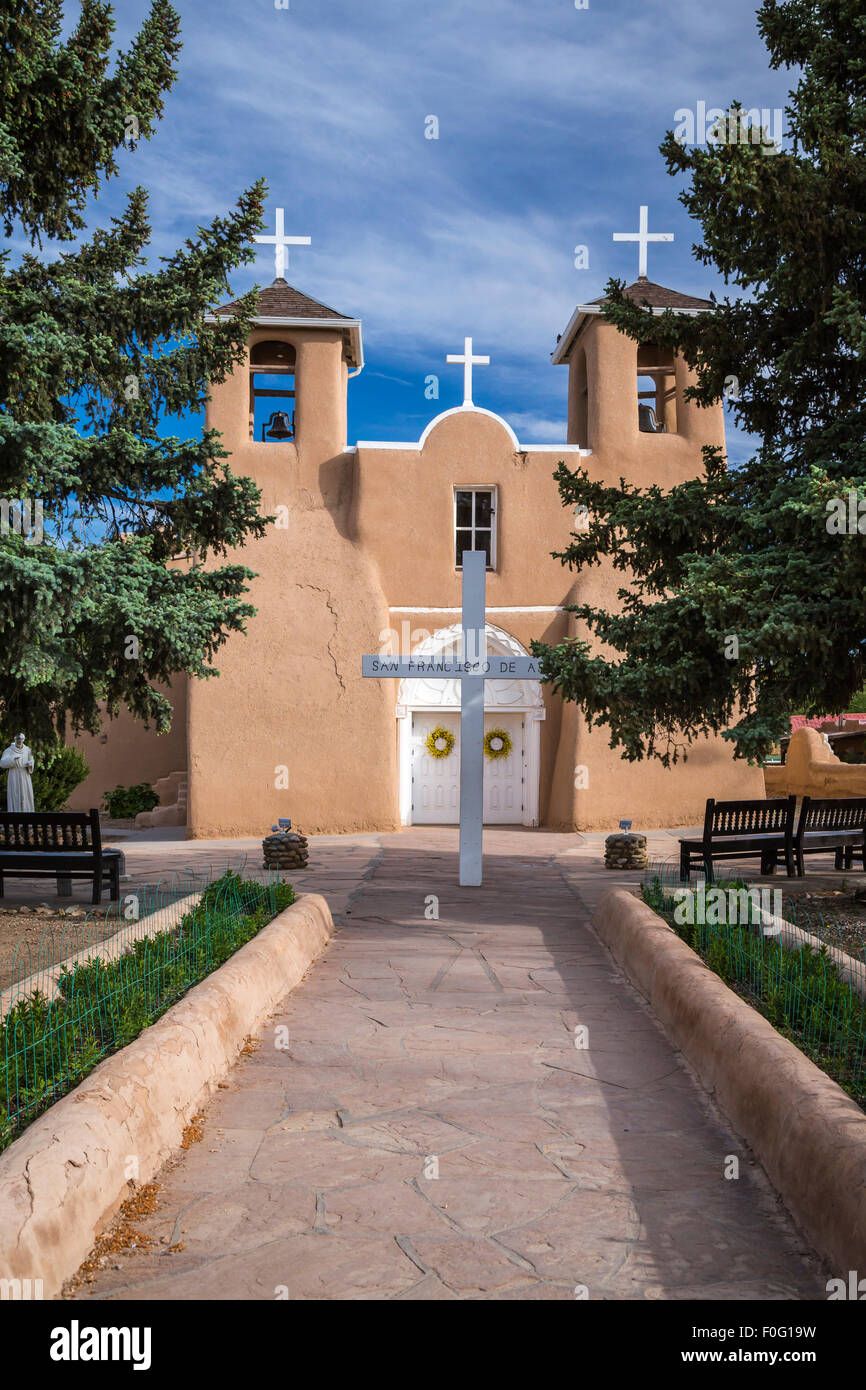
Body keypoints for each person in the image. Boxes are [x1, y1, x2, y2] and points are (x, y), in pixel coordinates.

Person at [0, 732, 35, 812]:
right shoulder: (9, 750)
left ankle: (28, 816)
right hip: (14, 775)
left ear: (23, 740)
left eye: (21, 740)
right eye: (18, 740)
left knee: (26, 796)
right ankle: (15, 816)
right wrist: (12, 759)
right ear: (15, 740)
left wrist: (31, 764)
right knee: (15, 796)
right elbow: (2, 763)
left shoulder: (28, 750)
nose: (20, 741)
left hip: (25, 775)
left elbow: (31, 760)